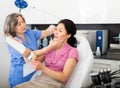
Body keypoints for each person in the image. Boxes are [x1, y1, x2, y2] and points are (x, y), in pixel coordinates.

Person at [15, 19, 79, 88]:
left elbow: (64, 77)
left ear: (68, 35)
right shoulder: (51, 48)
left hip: (54, 84)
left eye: (60, 31)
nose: (56, 33)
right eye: (56, 29)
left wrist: (43, 68)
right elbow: (31, 57)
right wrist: (49, 47)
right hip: (39, 80)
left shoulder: (72, 51)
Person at [3, 13, 58, 88]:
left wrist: (52, 28)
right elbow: (31, 59)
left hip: (33, 74)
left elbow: (45, 33)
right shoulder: (13, 42)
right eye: (19, 24)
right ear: (12, 27)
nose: (23, 25)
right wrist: (48, 50)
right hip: (20, 77)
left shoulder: (28, 32)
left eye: (23, 21)